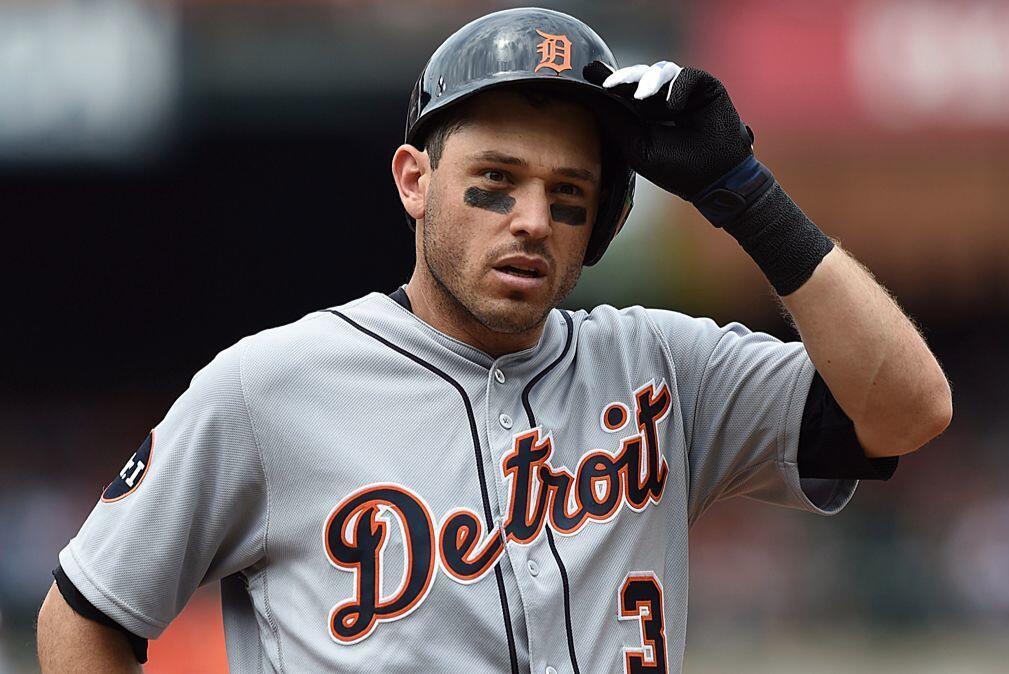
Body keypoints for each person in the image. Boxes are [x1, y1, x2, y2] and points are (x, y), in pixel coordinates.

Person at [36, 7, 951, 673]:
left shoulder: (663, 365)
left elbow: (909, 409)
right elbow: (85, 615)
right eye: (495, 182)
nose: (530, 221)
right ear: (414, 180)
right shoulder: (269, 387)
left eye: (568, 199)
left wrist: (743, 192)